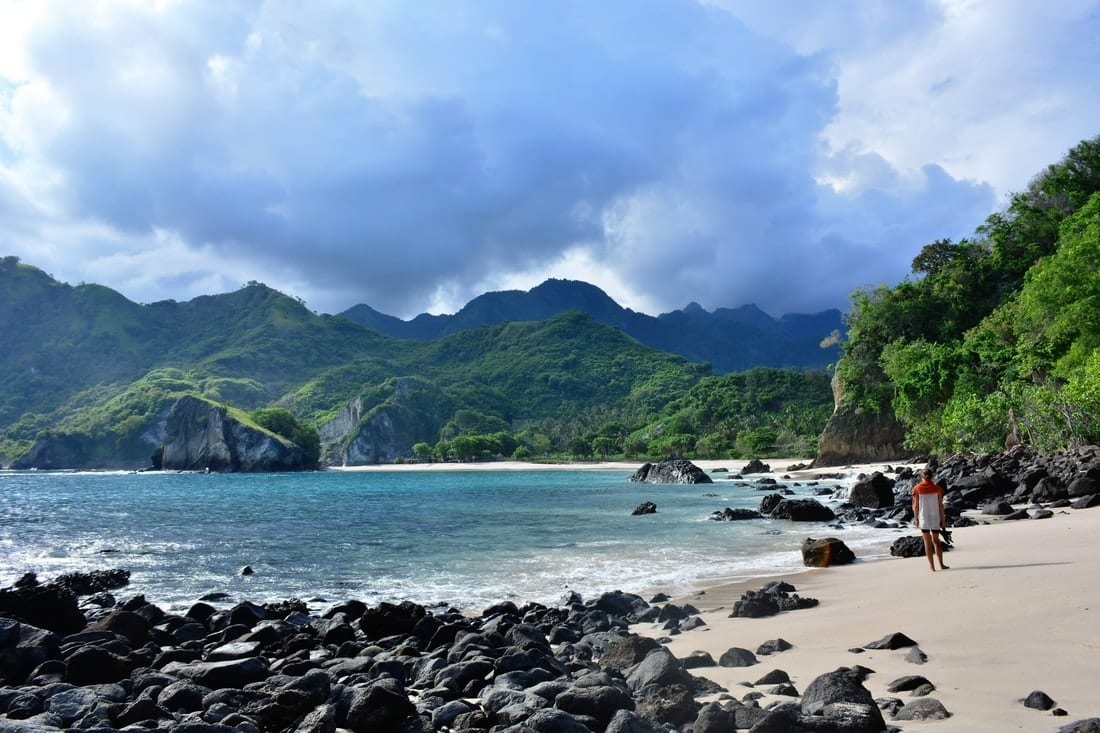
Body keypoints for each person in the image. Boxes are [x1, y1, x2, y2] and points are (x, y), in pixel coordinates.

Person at [912, 469, 949, 571]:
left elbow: (916, 506)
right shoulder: (937, 489)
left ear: (921, 477)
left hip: (923, 518)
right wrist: (943, 520)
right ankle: (941, 565)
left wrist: (916, 519)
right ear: (932, 477)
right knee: (936, 541)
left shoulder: (917, 488)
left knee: (927, 543)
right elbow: (941, 506)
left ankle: (932, 567)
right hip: (935, 517)